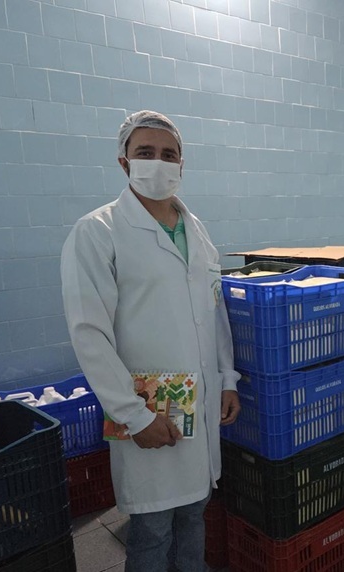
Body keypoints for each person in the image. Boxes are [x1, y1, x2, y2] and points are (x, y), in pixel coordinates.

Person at [61, 110, 241, 572]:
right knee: (152, 529)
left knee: (194, 514)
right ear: (124, 162)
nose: (158, 163)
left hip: (194, 403)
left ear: (182, 165)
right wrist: (133, 415)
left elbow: (213, 311)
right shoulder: (98, 232)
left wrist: (227, 379)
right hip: (145, 404)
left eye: (168, 154)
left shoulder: (196, 232)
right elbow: (89, 334)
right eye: (146, 153)